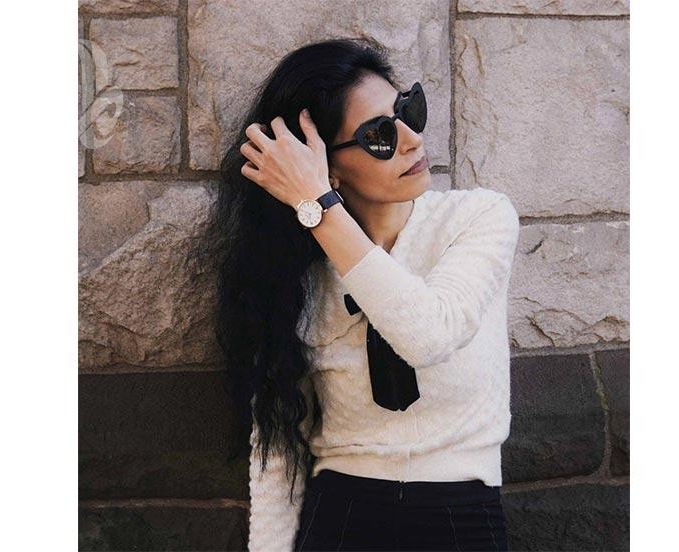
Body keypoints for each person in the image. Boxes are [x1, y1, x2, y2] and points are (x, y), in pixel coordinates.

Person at [198, 38, 519, 552]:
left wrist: (318, 207)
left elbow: (428, 336)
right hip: (341, 515)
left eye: (408, 111)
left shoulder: (478, 218)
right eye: (379, 135)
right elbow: (279, 448)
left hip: (460, 511)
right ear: (327, 167)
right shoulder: (294, 271)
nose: (411, 139)